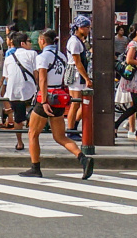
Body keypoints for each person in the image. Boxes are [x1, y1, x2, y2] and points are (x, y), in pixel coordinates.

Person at [19, 28, 88, 178]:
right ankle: (82, 158)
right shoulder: (62, 56)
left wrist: (43, 100)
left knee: (32, 133)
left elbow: (42, 79)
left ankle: (35, 167)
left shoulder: (43, 57)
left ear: (43, 41)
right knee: (60, 136)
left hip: (47, 97)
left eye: (39, 40)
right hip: (59, 96)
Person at [2, 31, 37, 152]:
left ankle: (20, 142)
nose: (31, 44)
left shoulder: (8, 58)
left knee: (18, 118)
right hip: (29, 90)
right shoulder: (32, 54)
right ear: (23, 43)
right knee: (34, 112)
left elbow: (7, 77)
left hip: (13, 92)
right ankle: (32, 137)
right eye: (29, 41)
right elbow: (36, 73)